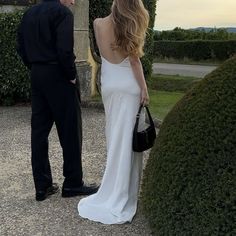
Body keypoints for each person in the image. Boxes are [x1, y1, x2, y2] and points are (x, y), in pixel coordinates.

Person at [16, 0, 98, 201]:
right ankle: (72, 183)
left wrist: (35, 66)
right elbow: (64, 50)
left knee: (39, 131)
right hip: (59, 75)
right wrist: (70, 74)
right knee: (70, 129)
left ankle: (42, 186)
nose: (73, 2)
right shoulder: (63, 13)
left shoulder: (29, 14)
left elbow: (20, 46)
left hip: (37, 74)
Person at [78, 0, 149, 224]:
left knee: (115, 135)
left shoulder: (98, 23)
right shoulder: (131, 21)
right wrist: (144, 89)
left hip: (108, 84)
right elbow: (135, 62)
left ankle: (112, 188)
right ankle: (123, 192)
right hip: (128, 84)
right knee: (127, 139)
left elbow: (102, 54)